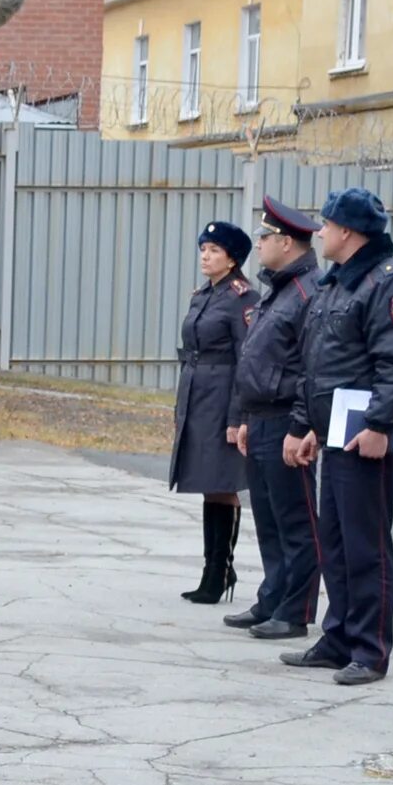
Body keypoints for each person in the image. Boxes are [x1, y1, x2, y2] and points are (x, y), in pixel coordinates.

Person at [281, 187, 393, 687]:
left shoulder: (392, 284)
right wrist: (306, 427)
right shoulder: (334, 285)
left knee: (366, 546)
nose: (319, 232)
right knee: (335, 542)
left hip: (367, 436)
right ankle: (338, 636)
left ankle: (370, 649)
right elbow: (315, 365)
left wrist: (380, 425)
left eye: (326, 225)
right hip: (335, 431)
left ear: (348, 231)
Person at [226, 196, 321, 640]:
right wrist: (246, 415)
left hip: (287, 419)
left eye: (264, 237)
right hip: (262, 416)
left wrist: (301, 426)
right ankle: (273, 595)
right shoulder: (279, 290)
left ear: (286, 242)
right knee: (267, 517)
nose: (258, 244)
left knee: (296, 519)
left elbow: (309, 367)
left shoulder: (307, 292)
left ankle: (296, 609)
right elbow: (257, 358)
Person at [169, 220, 256, 604]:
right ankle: (215, 568)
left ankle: (219, 571)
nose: (205, 255)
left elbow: (246, 360)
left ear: (232, 258)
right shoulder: (203, 294)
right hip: (198, 397)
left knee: (222, 484)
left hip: (222, 399)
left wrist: (237, 418)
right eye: (203, 248)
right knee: (209, 484)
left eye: (214, 250)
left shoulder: (242, 298)